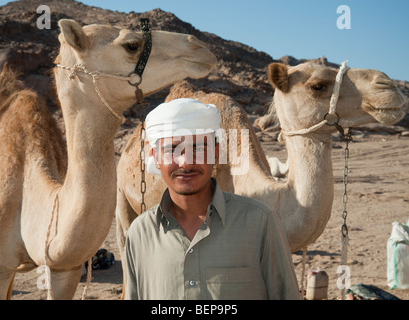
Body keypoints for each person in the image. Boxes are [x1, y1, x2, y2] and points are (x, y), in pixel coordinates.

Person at [124, 98, 300, 300]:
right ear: (155, 157)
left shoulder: (260, 222)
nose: (186, 162)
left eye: (198, 148)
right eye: (172, 149)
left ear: (216, 153)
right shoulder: (139, 233)